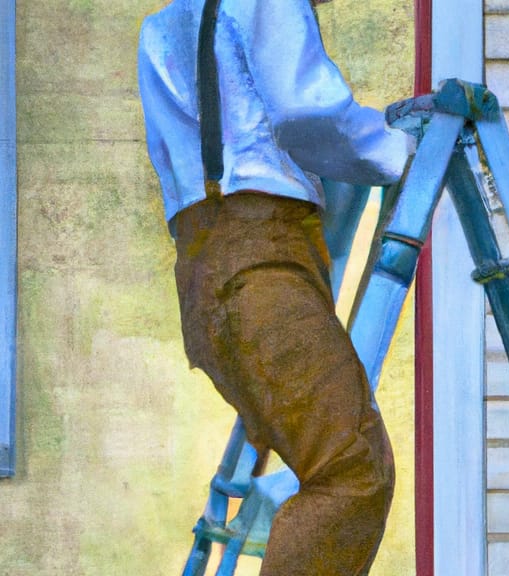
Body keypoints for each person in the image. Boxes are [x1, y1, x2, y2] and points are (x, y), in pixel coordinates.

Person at [137, 0, 409, 573]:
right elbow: (305, 114)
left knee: (326, 458)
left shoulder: (159, 29)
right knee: (351, 472)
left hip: (205, 279)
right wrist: (398, 151)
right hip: (262, 274)